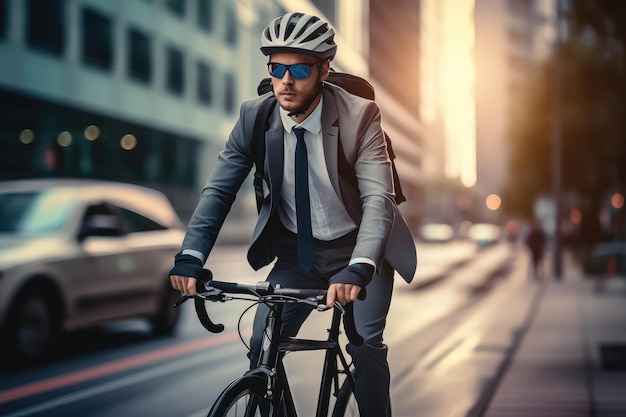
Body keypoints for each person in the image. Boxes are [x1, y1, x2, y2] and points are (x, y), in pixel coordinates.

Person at [169, 12, 416, 416]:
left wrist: (360, 267)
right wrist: (191, 256)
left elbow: (378, 200)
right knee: (261, 344)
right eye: (277, 67)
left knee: (366, 343)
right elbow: (218, 191)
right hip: (297, 257)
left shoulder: (360, 117)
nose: (286, 79)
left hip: (357, 253)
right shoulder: (255, 116)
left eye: (299, 68)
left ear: (323, 71)